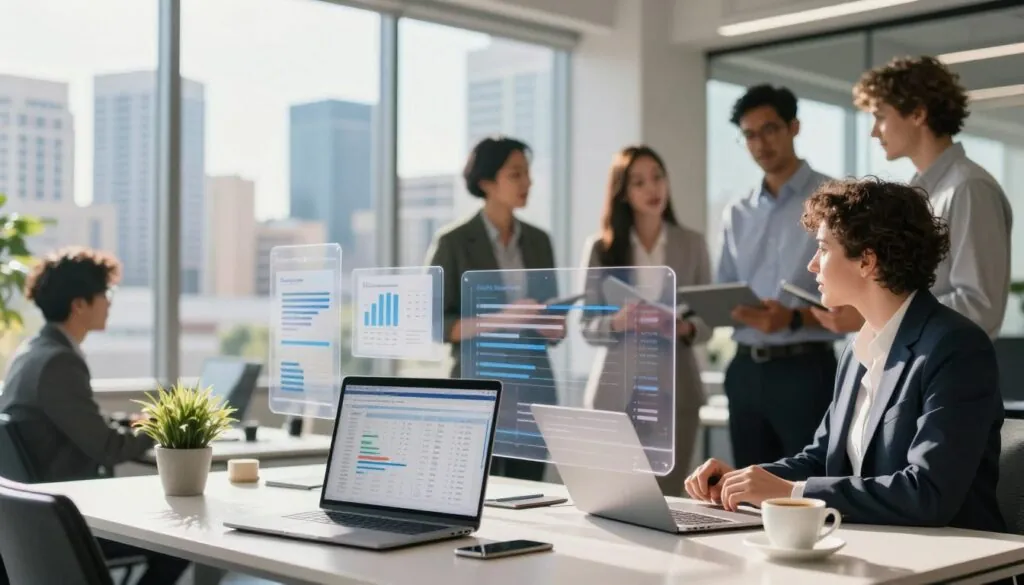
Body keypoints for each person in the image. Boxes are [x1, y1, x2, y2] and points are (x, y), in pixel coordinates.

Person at [685, 178, 1005, 533]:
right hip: (877, 549)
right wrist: (744, 481)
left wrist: (793, 492)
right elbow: (824, 459)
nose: (811, 266)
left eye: (822, 249)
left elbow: (927, 493)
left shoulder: (955, 347)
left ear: (867, 260)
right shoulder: (857, 352)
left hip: (957, 561)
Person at [0, 247, 190, 584]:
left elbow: (69, 426)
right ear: (79, 304)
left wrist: (126, 424)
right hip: (69, 523)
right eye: (105, 293)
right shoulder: (59, 362)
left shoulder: (32, 352)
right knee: (180, 540)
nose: (109, 302)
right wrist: (163, 425)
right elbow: (109, 449)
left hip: (36, 519)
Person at [818, 55, 1013, 338]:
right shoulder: (919, 193)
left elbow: (980, 307)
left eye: (881, 117)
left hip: (947, 365)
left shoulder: (969, 188)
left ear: (918, 114)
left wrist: (881, 313)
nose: (874, 131)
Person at [716, 84, 842, 468]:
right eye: (750, 135)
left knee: (810, 488)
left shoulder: (833, 199)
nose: (760, 143)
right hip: (744, 371)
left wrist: (790, 319)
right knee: (745, 493)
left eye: (770, 129)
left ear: (794, 127)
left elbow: (853, 298)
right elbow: (724, 291)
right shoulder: (736, 212)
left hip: (805, 370)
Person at [425, 136, 562, 481]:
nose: (527, 183)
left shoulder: (539, 241)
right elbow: (434, 324)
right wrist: (502, 319)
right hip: (477, 389)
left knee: (529, 496)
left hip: (532, 389)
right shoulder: (453, 241)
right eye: (516, 174)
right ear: (486, 182)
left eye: (527, 174)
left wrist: (553, 325)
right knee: (473, 492)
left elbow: (550, 313)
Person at [579, 145, 713, 495]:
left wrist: (685, 327)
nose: (652, 188)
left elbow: (708, 320)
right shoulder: (601, 248)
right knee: (614, 499)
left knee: (669, 502)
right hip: (616, 393)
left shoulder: (692, 243)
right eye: (638, 182)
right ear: (623, 192)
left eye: (657, 177)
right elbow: (586, 326)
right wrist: (617, 322)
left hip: (676, 390)